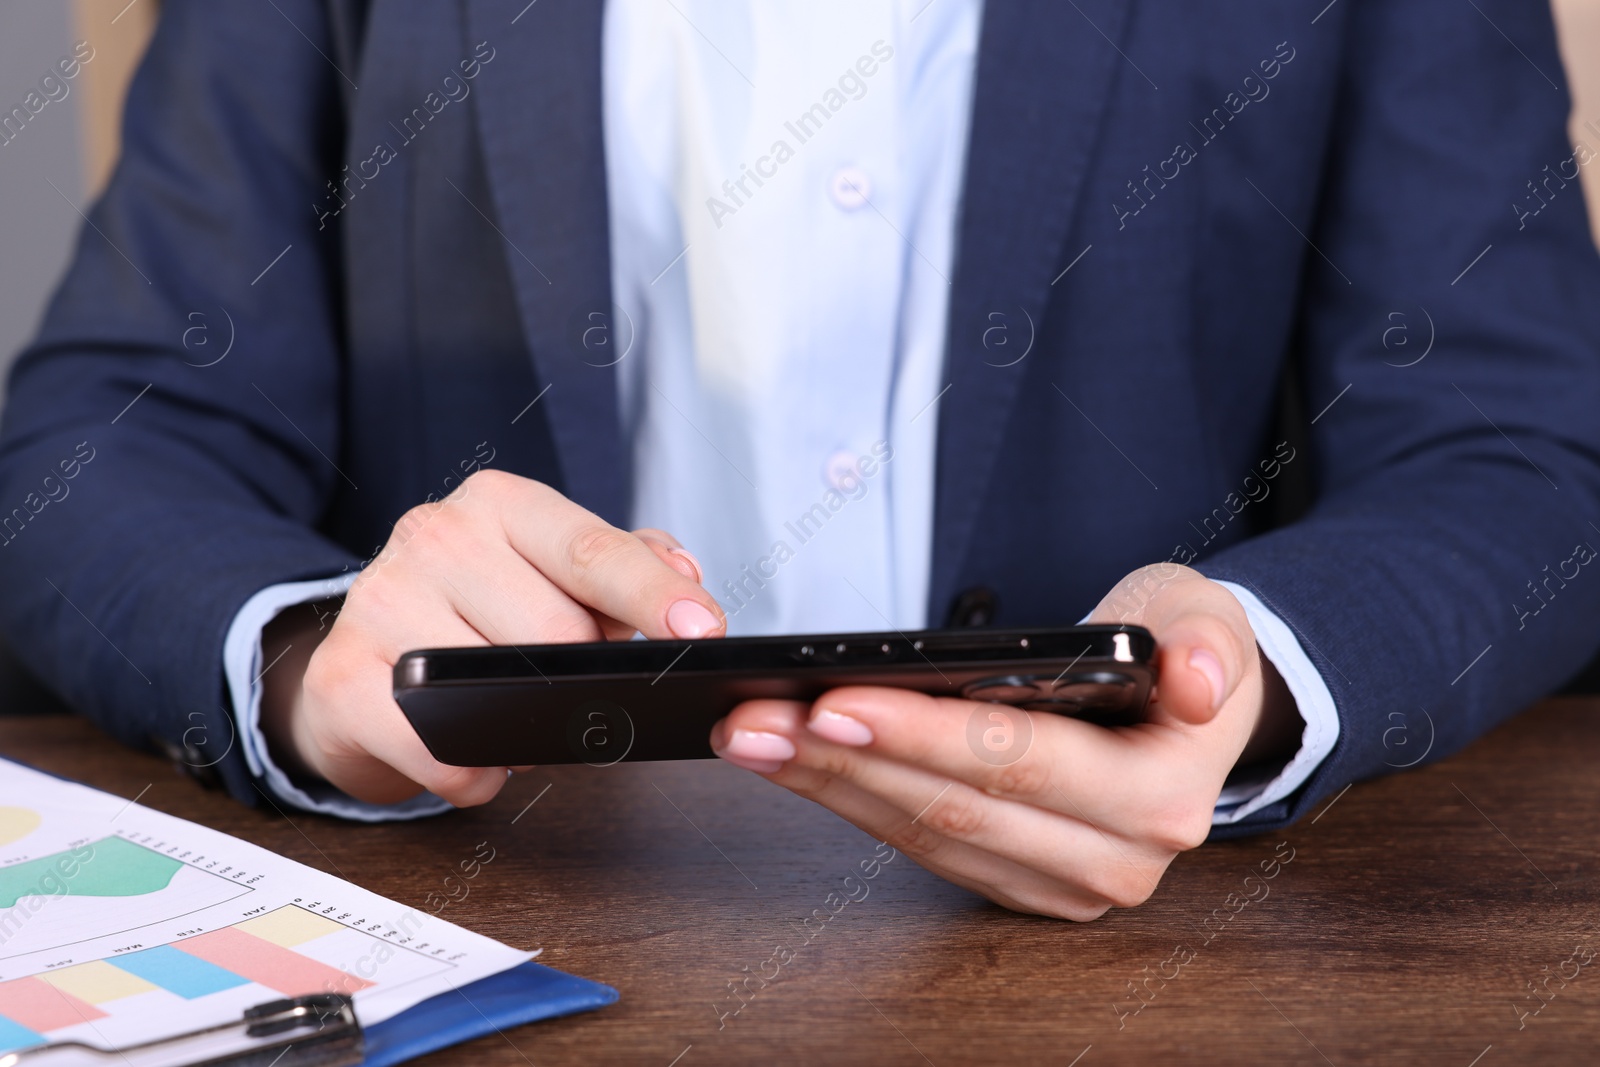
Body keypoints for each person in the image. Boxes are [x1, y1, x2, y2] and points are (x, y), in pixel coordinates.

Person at [3, 0, 1599, 922]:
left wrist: (1249, 683)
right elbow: (97, 438)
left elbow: (1520, 448)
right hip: (510, 923)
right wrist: (303, 659)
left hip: (1155, 951)